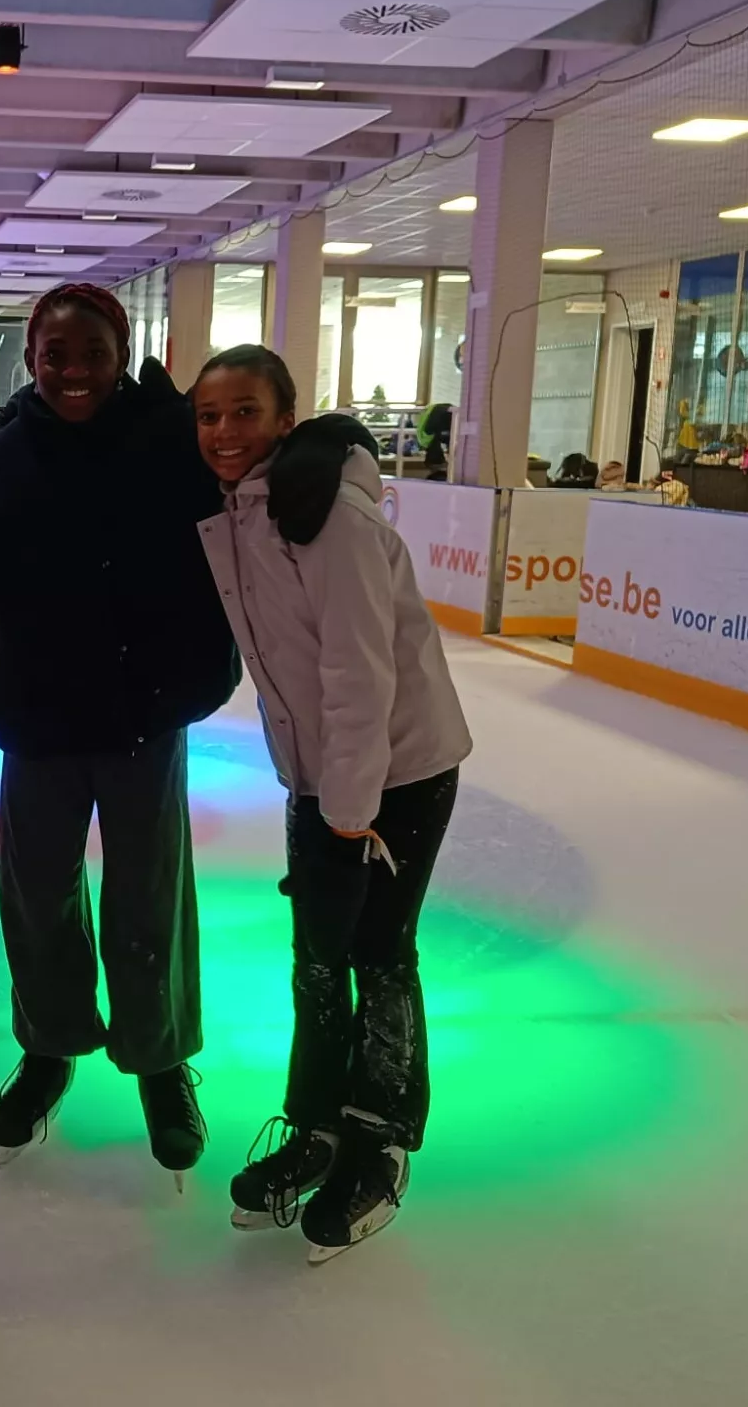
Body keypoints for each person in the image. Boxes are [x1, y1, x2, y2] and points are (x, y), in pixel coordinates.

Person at [191, 344, 472, 1263]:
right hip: (326, 776)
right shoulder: (244, 509)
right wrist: (323, 795)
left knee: (378, 955)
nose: (224, 431)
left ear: (286, 418)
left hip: (399, 772)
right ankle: (316, 1125)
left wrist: (350, 814)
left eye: (245, 412)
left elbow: (360, 674)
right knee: (317, 959)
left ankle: (379, 1144)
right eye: (208, 415)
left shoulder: (328, 518)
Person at [0, 283, 239, 1180]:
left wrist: (336, 448)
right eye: (56, 354)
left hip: (140, 714)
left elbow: (255, 473)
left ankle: (161, 1062)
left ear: (122, 353)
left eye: (93, 352)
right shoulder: (1, 449)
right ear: (31, 358)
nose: (74, 370)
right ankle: (50, 1047)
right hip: (37, 715)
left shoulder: (168, 436)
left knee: (148, 893)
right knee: (38, 894)